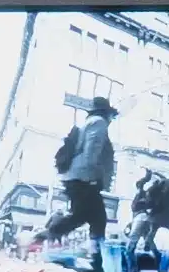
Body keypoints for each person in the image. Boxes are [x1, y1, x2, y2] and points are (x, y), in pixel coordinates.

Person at [42, 94, 117, 259]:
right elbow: (92, 150)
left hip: (77, 176)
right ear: (106, 113)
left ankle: (95, 255)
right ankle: (43, 237)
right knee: (89, 217)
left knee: (93, 217)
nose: (112, 119)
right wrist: (91, 178)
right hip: (83, 177)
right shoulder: (99, 123)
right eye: (111, 115)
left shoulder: (90, 123)